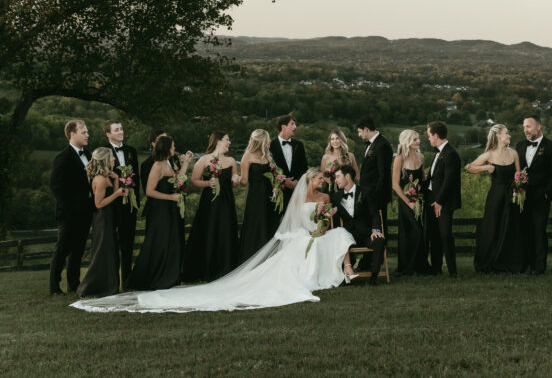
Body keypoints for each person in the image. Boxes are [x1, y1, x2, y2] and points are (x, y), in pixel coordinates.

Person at [71, 169, 355, 312]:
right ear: (310, 182)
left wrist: (320, 227)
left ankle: (339, 270)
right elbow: (294, 222)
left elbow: (325, 220)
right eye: (317, 178)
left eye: (321, 178)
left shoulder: (327, 198)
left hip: (314, 235)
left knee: (330, 238)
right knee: (291, 257)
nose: (321, 181)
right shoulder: (299, 199)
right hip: (299, 236)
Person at [127, 135, 193, 290]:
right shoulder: (157, 166)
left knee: (172, 242)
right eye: (173, 145)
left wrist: (186, 163)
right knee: (159, 243)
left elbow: (178, 180)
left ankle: (169, 276)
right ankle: (150, 278)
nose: (174, 148)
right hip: (160, 210)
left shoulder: (169, 164)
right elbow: (149, 192)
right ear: (167, 147)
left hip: (170, 210)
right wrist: (170, 197)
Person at [183, 132, 241, 282]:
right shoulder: (204, 159)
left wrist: (236, 180)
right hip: (209, 203)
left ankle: (226, 270)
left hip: (227, 202)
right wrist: (207, 183)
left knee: (226, 231)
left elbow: (234, 184)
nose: (229, 142)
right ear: (218, 141)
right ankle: (206, 271)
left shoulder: (232, 161)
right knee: (209, 230)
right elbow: (194, 180)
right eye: (227, 139)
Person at [466, 124, 524, 274]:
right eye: (507, 133)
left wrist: (520, 186)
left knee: (511, 227)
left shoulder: (514, 154)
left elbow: (518, 176)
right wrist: (485, 168)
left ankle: (509, 262)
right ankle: (491, 261)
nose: (509, 136)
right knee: (493, 227)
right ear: (498, 136)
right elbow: (470, 167)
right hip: (496, 196)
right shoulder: (489, 155)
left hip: (512, 196)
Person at [48, 119, 92, 295]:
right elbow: (56, 186)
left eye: (87, 132)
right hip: (69, 213)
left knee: (78, 250)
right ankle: (54, 286)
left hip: (86, 211)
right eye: (84, 132)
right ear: (72, 134)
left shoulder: (88, 155)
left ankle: (74, 284)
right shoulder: (63, 157)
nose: (87, 135)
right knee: (63, 249)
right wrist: (71, 207)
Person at [515, 115, 552, 275]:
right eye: (524, 127)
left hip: (541, 197)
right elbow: (517, 170)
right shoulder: (519, 146)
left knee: (539, 231)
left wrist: (547, 193)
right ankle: (525, 265)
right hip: (522, 197)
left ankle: (539, 266)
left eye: (528, 126)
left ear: (539, 126)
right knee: (524, 230)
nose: (525, 130)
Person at [76, 147, 126, 298]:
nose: (114, 160)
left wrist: (116, 179)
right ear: (105, 160)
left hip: (109, 217)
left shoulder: (107, 176)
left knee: (110, 250)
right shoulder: (100, 179)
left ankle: (110, 285)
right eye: (111, 157)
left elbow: (115, 197)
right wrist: (117, 192)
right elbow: (98, 204)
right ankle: (91, 286)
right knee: (102, 251)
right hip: (102, 218)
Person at [331, 164, 387, 285]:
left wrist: (375, 230)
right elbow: (333, 216)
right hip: (349, 238)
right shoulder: (335, 197)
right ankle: (343, 276)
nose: (336, 180)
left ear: (348, 176)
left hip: (366, 234)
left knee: (379, 240)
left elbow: (375, 214)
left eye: (338, 177)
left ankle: (374, 277)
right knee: (336, 241)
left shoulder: (366, 192)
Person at [104, 119, 140, 288]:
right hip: (111, 204)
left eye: (121, 128)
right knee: (111, 244)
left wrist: (135, 203)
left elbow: (137, 179)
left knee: (128, 243)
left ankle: (127, 281)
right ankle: (111, 281)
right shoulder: (102, 152)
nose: (121, 132)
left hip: (129, 205)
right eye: (116, 129)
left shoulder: (131, 151)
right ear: (108, 134)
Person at [424, 120, 461, 277]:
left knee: (445, 234)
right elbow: (434, 178)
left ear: (436, 135)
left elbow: (449, 181)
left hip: (443, 201)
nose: (428, 139)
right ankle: (436, 268)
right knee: (434, 235)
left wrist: (439, 201)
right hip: (433, 199)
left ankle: (453, 271)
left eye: (429, 136)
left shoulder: (450, 154)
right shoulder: (438, 153)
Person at [391, 129, 428, 276]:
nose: (418, 141)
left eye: (418, 138)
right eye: (414, 139)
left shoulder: (421, 157)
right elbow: (395, 185)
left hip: (420, 202)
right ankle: (407, 267)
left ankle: (419, 266)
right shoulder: (399, 159)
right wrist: (408, 202)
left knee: (420, 233)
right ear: (407, 142)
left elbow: (423, 179)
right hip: (406, 203)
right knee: (411, 233)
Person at [239, 129, 279, 261]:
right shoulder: (247, 156)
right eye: (267, 139)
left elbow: (272, 177)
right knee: (256, 224)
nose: (270, 141)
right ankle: (251, 259)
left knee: (269, 223)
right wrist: (235, 178)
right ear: (261, 141)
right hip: (255, 195)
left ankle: (268, 259)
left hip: (269, 195)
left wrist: (276, 188)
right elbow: (244, 181)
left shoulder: (267, 155)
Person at [356, 116, 393, 237]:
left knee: (380, 226)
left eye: (360, 131)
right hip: (369, 194)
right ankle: (370, 255)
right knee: (370, 226)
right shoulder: (372, 144)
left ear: (366, 129)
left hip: (377, 196)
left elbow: (384, 174)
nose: (359, 135)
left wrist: (376, 195)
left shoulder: (382, 145)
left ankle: (381, 253)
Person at [269, 115, 308, 210]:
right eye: (292, 124)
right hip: (278, 192)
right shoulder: (270, 145)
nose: (295, 127)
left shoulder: (299, 145)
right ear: (283, 127)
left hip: (296, 192)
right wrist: (284, 181)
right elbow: (268, 169)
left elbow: (304, 168)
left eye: (295, 124)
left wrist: (297, 182)